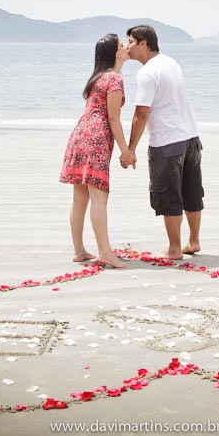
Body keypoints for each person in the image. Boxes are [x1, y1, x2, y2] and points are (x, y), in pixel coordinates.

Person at [122, 24, 203, 260]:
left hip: (167, 143)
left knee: (169, 196)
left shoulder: (146, 73)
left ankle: (175, 248)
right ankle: (194, 241)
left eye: (131, 42)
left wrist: (130, 149)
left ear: (143, 43)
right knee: (192, 192)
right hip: (191, 138)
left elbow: (141, 114)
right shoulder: (170, 62)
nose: (128, 47)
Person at [60, 33, 134, 268]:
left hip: (79, 135)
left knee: (80, 197)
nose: (127, 48)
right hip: (96, 139)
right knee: (99, 198)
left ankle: (80, 250)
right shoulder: (114, 80)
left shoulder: (98, 78)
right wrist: (126, 151)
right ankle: (105, 252)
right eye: (123, 45)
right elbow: (113, 118)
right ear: (115, 52)